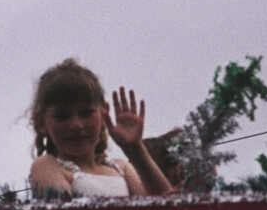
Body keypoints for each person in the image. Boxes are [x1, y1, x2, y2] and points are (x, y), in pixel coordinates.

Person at [27, 59, 173, 199]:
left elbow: (168, 209)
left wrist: (134, 149)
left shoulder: (122, 169)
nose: (76, 125)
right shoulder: (47, 166)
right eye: (62, 116)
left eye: (86, 113)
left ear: (104, 114)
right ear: (41, 123)